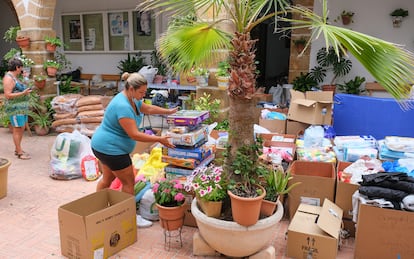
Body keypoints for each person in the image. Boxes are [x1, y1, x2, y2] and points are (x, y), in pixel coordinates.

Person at [91, 72, 178, 195]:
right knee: (128, 183)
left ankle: (99, 208)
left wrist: (168, 111)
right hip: (111, 149)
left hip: (103, 146)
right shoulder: (123, 106)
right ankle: (126, 212)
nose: (144, 95)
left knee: (108, 179)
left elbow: (148, 108)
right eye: (141, 92)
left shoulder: (132, 98)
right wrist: (159, 139)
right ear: (131, 89)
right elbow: (134, 134)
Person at [3, 58, 32, 160]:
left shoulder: (16, 77)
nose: (22, 69)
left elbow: (23, 86)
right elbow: (7, 95)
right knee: (17, 129)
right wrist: (23, 93)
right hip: (14, 108)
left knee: (22, 127)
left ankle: (18, 148)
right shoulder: (8, 78)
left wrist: (25, 78)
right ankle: (19, 152)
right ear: (17, 67)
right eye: (21, 67)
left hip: (21, 107)